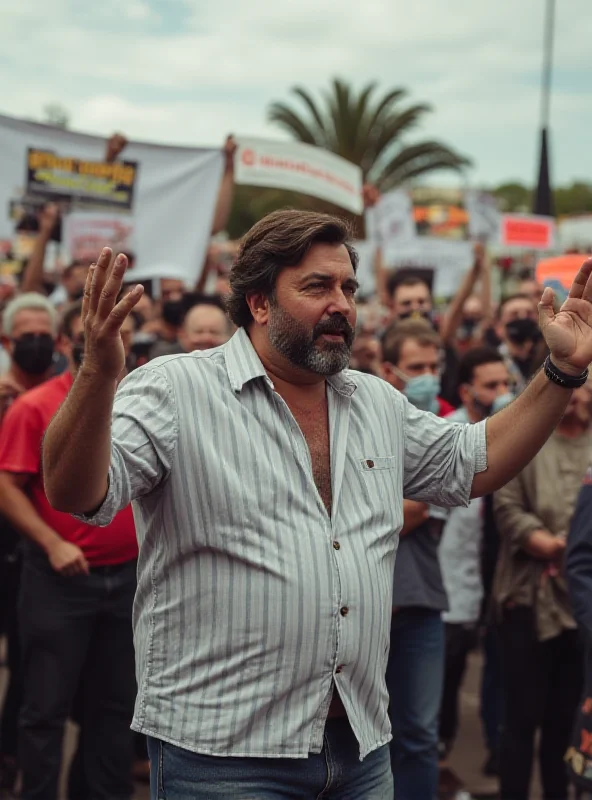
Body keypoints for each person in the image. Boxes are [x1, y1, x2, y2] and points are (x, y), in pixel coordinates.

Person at [42, 211, 592, 800]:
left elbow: (472, 461)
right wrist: (99, 373)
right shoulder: (173, 390)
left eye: (349, 288)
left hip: (359, 748)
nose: (342, 305)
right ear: (258, 303)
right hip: (223, 759)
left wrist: (562, 372)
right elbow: (76, 492)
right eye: (316, 287)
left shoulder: (375, 402)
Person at [0, 301, 138, 800]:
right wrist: (52, 541)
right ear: (67, 346)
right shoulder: (35, 406)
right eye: (94, 337)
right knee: (45, 709)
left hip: (127, 580)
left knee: (114, 709)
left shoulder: (140, 404)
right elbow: (7, 486)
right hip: (58, 585)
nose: (110, 344)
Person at [493, 376, 592, 800]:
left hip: (581, 604)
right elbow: (506, 506)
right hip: (530, 599)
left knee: (564, 720)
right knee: (520, 718)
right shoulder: (527, 439)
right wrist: (549, 546)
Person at [380, 318, 453, 798]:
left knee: (420, 737)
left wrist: (365, 509)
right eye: (415, 367)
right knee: (358, 739)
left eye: (433, 365)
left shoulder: (448, 434)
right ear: (390, 371)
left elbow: (424, 509)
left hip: (420, 606)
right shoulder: (357, 423)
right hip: (360, 611)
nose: (427, 375)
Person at [438, 348, 511, 762]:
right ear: (468, 393)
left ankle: (495, 749)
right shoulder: (445, 435)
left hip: (496, 579)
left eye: (506, 384)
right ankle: (441, 755)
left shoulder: (516, 440)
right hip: (450, 584)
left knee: (496, 674)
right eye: (491, 386)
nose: (502, 393)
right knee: (446, 678)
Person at [0, 291, 60, 792]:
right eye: (27, 338)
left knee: (29, 664)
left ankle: (11, 756)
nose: (37, 344)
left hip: (37, 558)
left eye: (44, 336)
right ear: (7, 342)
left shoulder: (64, 398)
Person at [495, 294, 544, 394]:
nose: (523, 317)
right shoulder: (492, 362)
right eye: (514, 314)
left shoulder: (550, 359)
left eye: (529, 313)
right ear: (499, 327)